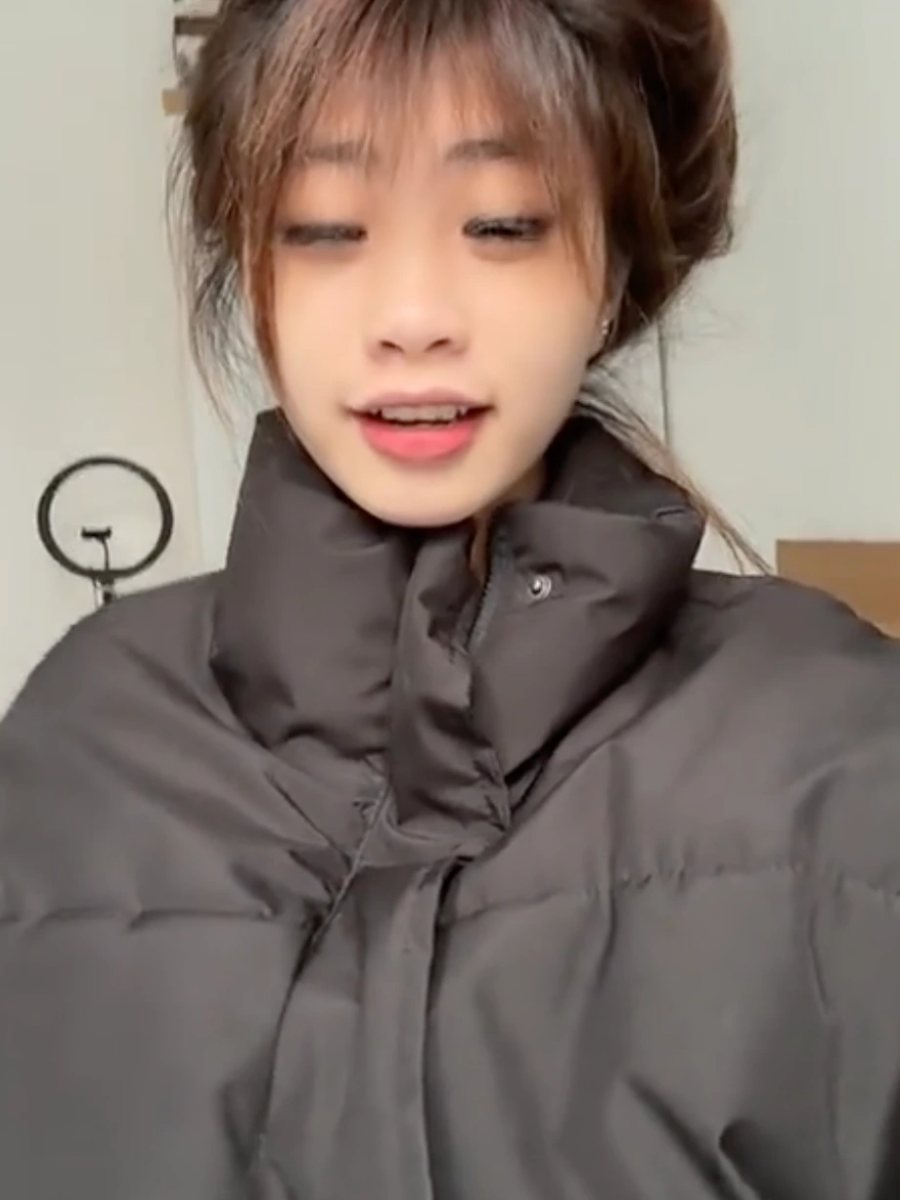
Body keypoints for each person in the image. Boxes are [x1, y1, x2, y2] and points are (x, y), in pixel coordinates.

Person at [1, 0, 898, 1195]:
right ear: (250, 257)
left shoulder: (842, 746)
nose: (412, 319)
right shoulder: (83, 731)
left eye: (503, 224)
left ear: (618, 264)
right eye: (325, 228)